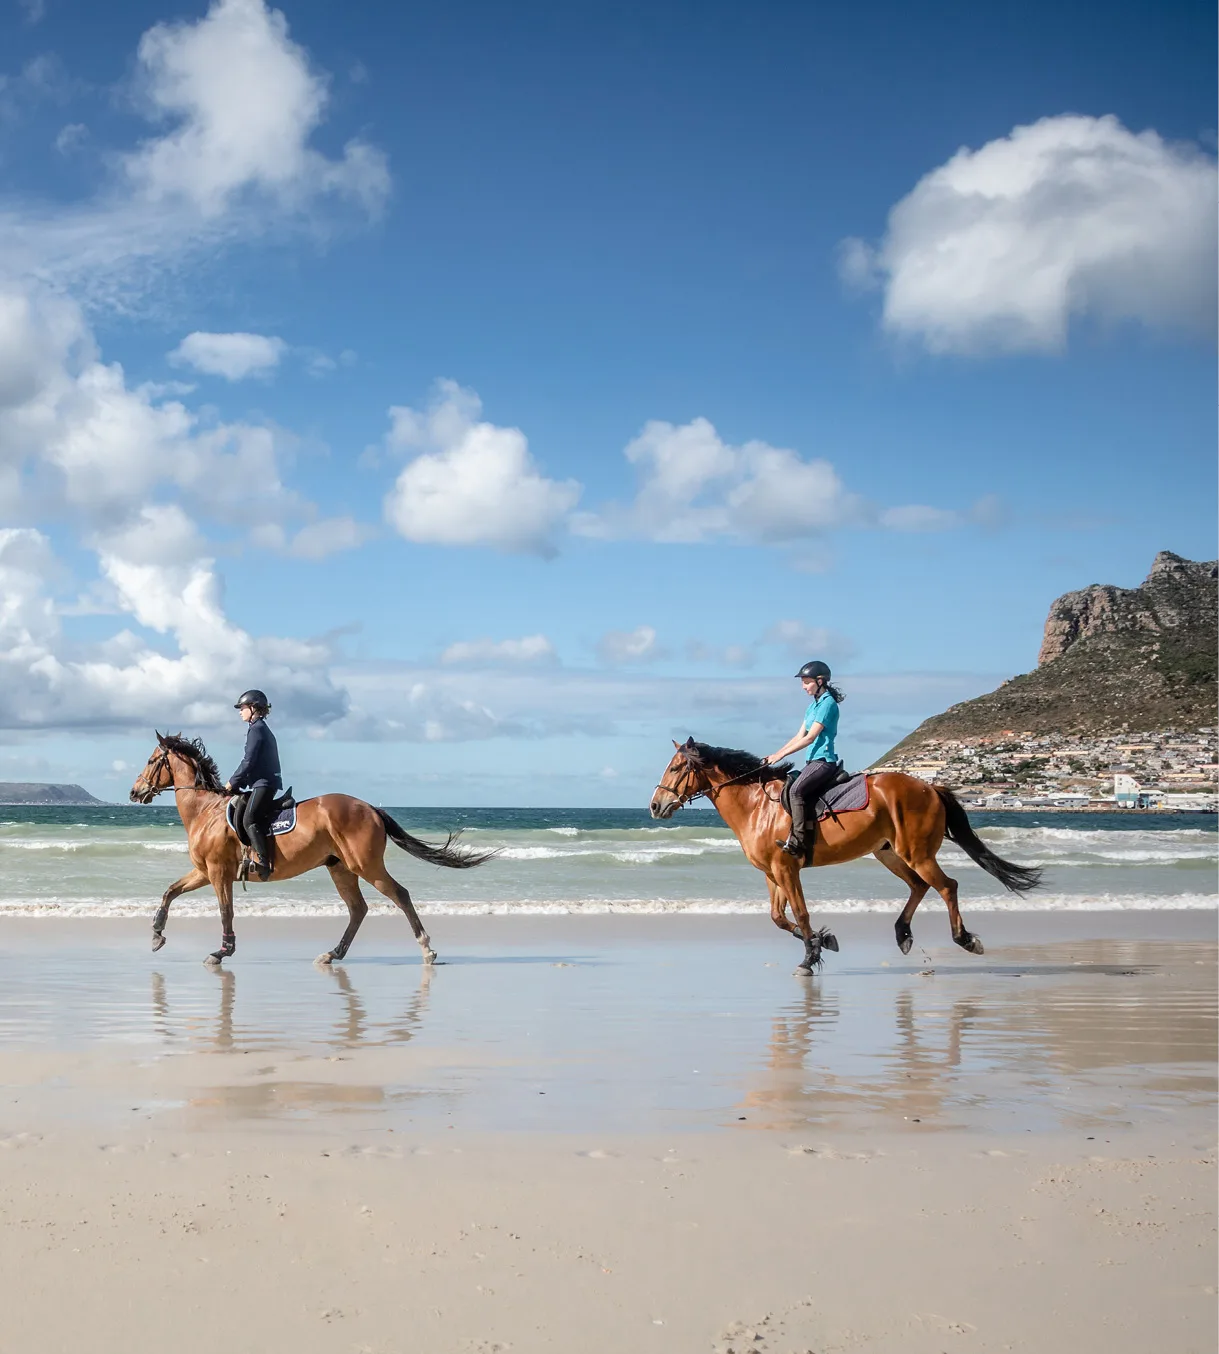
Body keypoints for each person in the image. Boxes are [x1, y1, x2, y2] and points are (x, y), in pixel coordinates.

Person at [764, 660, 845, 859]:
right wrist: (775, 754)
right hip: (811, 762)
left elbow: (810, 738)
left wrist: (781, 756)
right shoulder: (813, 707)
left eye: (807, 682)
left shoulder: (828, 704)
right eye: (803, 682)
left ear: (820, 681)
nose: (803, 686)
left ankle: (799, 842)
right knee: (787, 787)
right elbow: (799, 736)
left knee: (796, 791)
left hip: (823, 761)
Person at [223, 689, 282, 881]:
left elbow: (248, 761)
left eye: (242, 707)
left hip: (264, 784)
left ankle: (263, 862)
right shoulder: (258, 727)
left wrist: (232, 782)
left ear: (253, 708)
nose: (240, 711)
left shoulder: (256, 729)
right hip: (260, 782)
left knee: (249, 819)